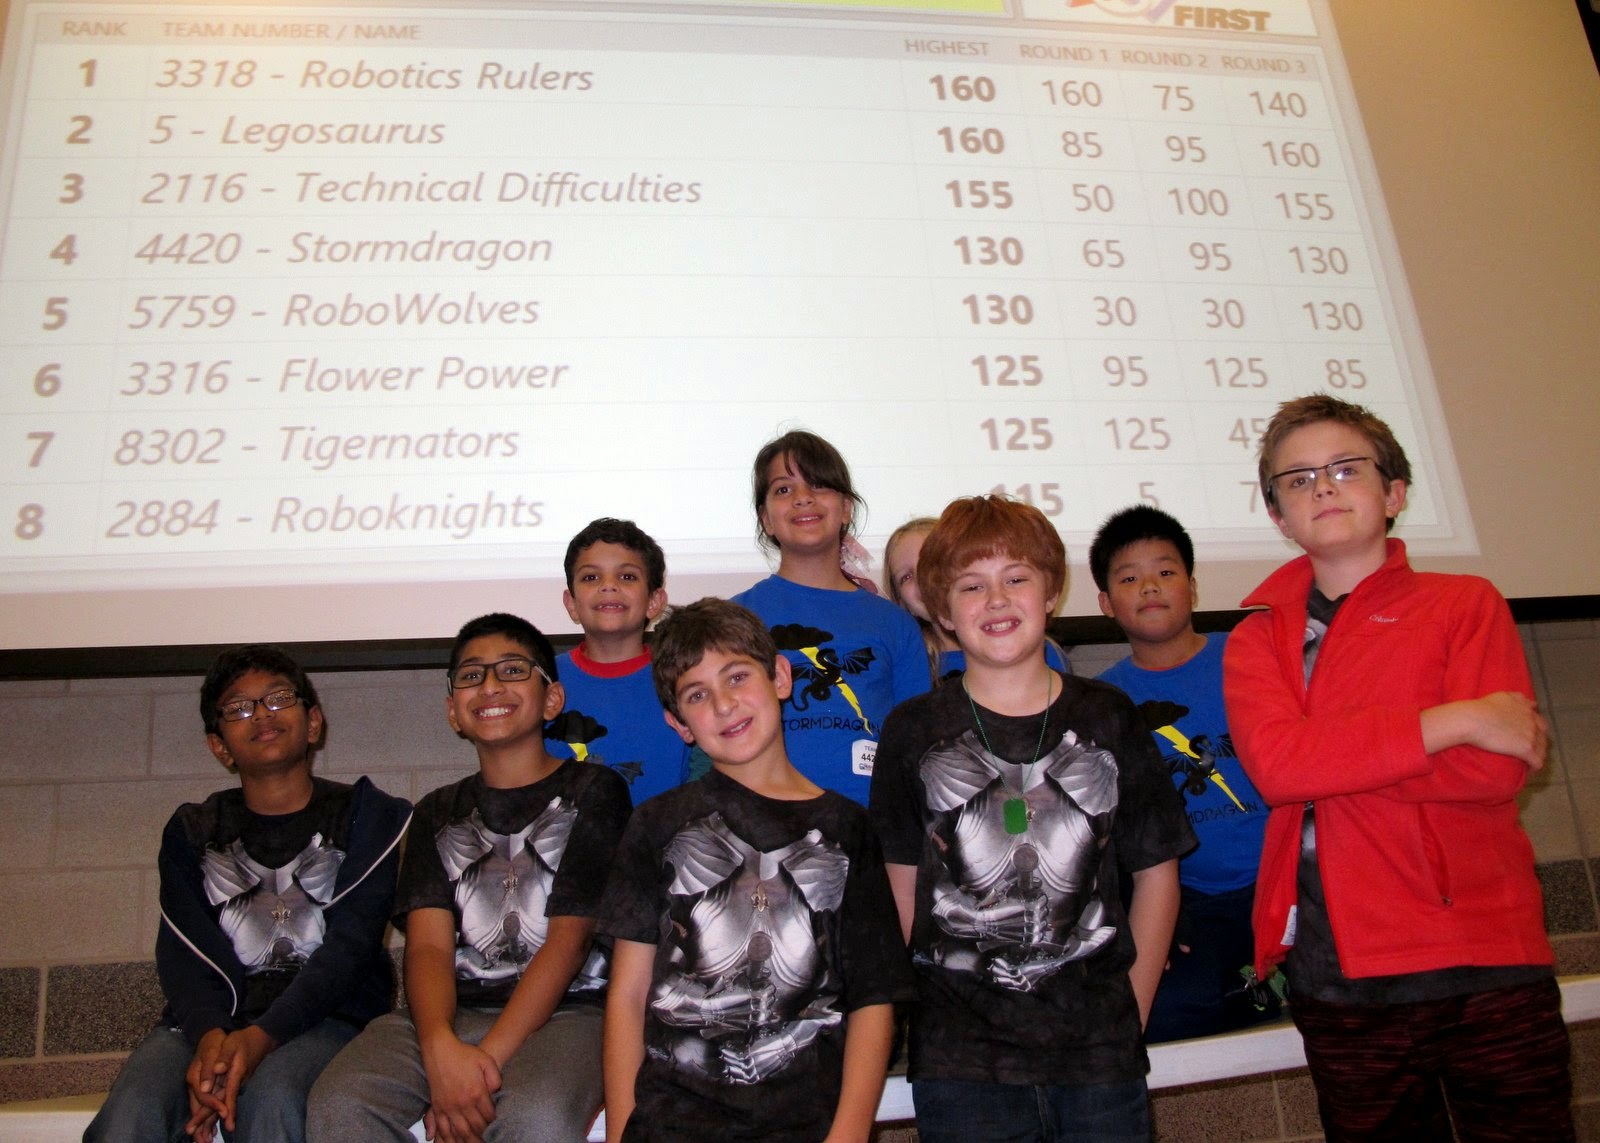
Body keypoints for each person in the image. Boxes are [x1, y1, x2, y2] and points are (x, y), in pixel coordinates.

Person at [1225, 393, 1570, 1140]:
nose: (1323, 487)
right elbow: (1280, 771)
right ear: (1279, 516)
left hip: (1484, 957)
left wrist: (1330, 762)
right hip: (1340, 975)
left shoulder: (1465, 604)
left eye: (1346, 468)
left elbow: (1493, 774)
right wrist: (1458, 720)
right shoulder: (1257, 638)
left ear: (1395, 492)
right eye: (1298, 479)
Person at [870, 495, 1194, 1143]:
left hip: (1099, 1052)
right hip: (962, 1062)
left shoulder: (1109, 716)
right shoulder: (911, 730)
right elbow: (902, 889)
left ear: (1050, 591)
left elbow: (1156, 874)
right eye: (971, 585)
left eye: (1016, 577)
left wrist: (1131, 1010)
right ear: (942, 611)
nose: (996, 600)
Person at [307, 614, 632, 1143]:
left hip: (570, 1012)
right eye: (471, 675)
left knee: (535, 1115)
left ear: (552, 699)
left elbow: (570, 941)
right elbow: (428, 948)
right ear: (453, 711)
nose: (491, 686)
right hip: (453, 1012)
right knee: (340, 1103)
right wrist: (439, 1049)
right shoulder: (436, 811)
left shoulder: (596, 791)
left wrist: (479, 1067)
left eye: (513, 670)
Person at [598, 598, 913, 1143]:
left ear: (781, 677)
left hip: (807, 1123)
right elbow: (628, 995)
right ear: (679, 724)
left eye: (737, 677)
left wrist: (849, 1133)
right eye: (697, 695)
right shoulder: (654, 825)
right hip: (671, 1123)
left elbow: (873, 998)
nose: (724, 704)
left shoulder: (849, 829)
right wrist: (623, 1130)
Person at [86, 645, 410, 1143]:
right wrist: (211, 1041)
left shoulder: (370, 815)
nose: (261, 714)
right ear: (219, 747)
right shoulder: (193, 829)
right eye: (239, 708)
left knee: (272, 1098)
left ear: (314, 722)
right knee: (133, 1110)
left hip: (328, 1020)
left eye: (278, 698)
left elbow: (350, 949)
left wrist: (258, 1041)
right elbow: (183, 954)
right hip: (207, 1027)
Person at [1089, 504, 1275, 1042]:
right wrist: (1147, 917)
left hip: (1287, 881)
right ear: (1106, 603)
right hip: (1188, 901)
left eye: (1166, 571)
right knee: (1165, 1012)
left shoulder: (1250, 658)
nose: (1150, 586)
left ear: (1192, 587)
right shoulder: (1101, 702)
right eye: (1129, 578)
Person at [732, 429, 928, 804]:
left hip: (872, 821)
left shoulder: (893, 623)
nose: (803, 498)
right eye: (784, 489)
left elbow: (916, 746)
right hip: (761, 818)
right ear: (766, 519)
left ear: (846, 508)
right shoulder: (734, 618)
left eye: (819, 485)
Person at [545, 517, 690, 804]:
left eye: (627, 577)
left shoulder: (684, 677)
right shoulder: (544, 680)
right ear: (571, 604)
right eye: (591, 577)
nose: (608, 586)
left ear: (654, 601)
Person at [887, 515, 1071, 685]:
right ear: (901, 602)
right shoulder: (905, 665)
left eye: (930, 567)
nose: (922, 580)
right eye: (906, 577)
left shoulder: (1042, 653)